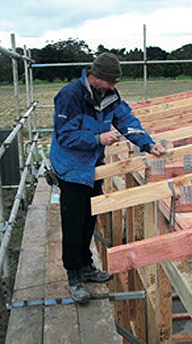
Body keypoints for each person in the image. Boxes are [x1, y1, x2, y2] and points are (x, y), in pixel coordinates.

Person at [50, 52, 166, 303]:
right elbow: (65, 136)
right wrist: (97, 139)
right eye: (110, 82)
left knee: (89, 217)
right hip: (71, 168)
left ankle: (86, 266)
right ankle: (73, 274)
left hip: (92, 166)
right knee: (73, 221)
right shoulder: (70, 96)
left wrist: (147, 144)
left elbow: (126, 120)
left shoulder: (109, 96)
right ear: (95, 77)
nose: (114, 87)